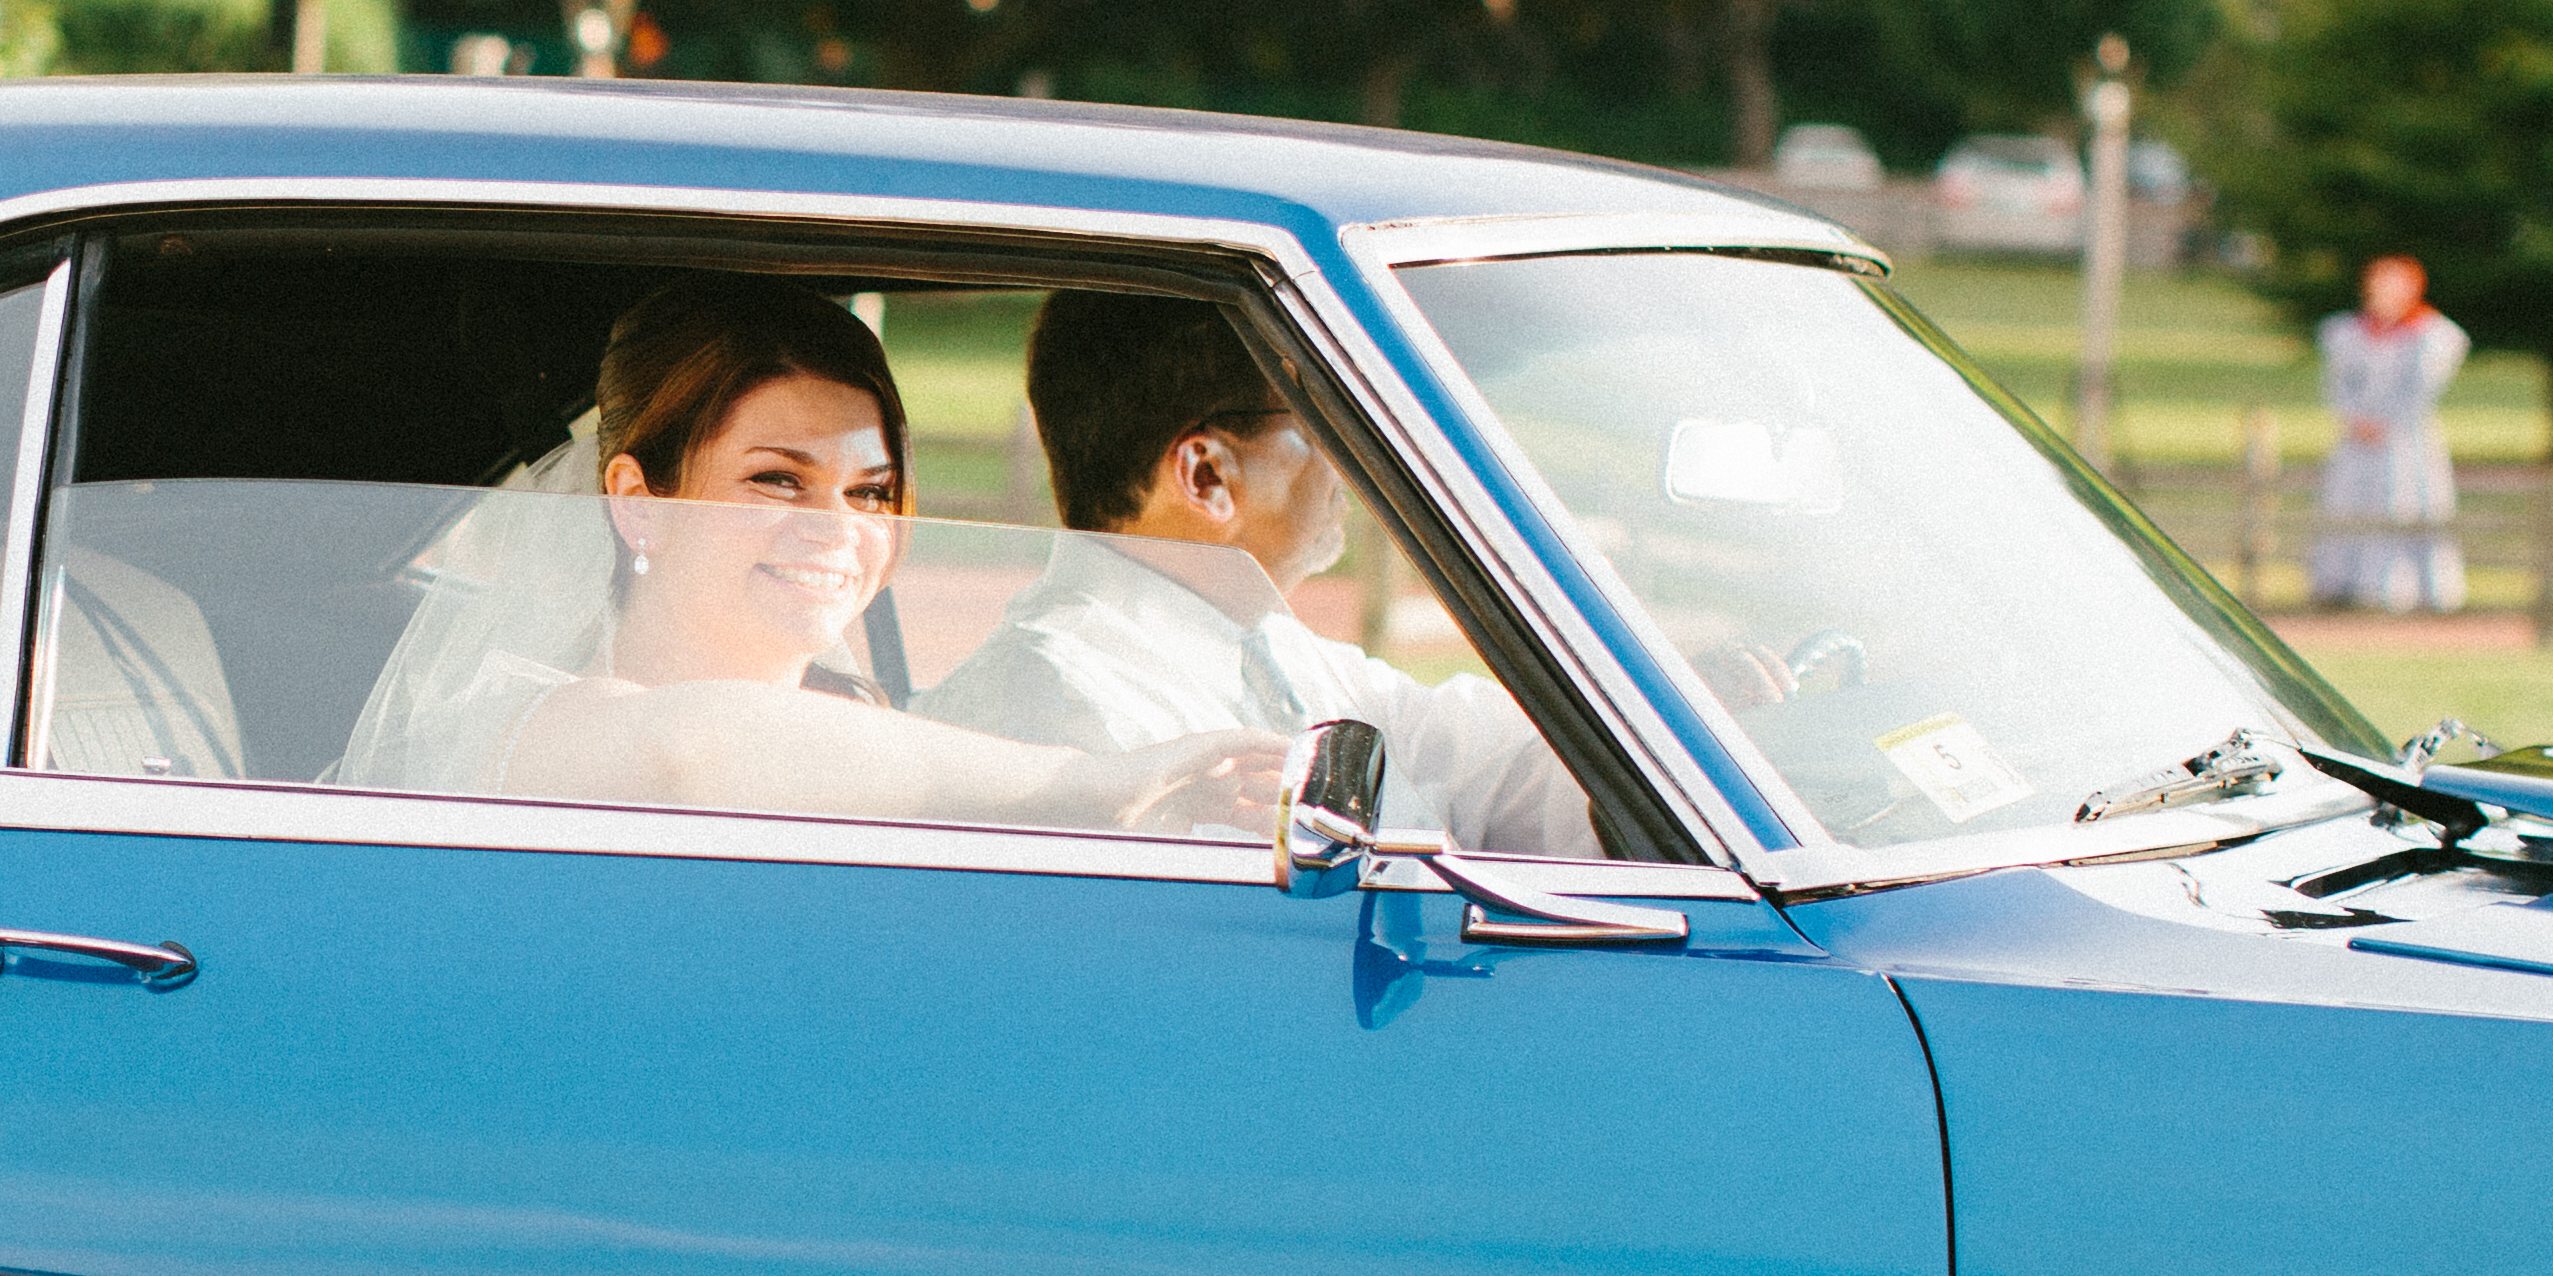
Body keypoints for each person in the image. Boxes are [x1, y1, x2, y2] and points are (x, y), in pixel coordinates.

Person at [339, 275, 1281, 836]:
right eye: (778, 481)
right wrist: (1096, 784)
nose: (838, 531)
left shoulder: (859, 723)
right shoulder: (540, 729)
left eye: (868, 492)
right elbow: (696, 749)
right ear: (638, 506)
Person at [918, 292, 1608, 853]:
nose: (1347, 459)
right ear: (1207, 474)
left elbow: (1498, 767)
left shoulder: (1268, 650)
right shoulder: (1062, 720)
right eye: (1320, 421)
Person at [2309, 253, 2469, 612]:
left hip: (2405, 440)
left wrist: (2389, 422)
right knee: (2347, 506)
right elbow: (2338, 384)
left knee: (2408, 506)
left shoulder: (2432, 335)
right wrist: (2355, 418)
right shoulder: (2346, 332)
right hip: (2357, 439)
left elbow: (2422, 389)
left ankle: (2410, 592)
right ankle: (2341, 586)